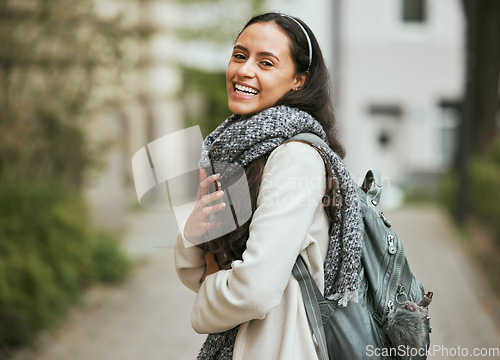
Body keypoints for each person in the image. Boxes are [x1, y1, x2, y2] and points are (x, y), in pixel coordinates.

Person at [175, 12, 364, 360]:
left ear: (298, 80)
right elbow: (207, 274)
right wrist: (193, 234)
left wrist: (210, 292)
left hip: (281, 346)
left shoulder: (295, 157)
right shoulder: (235, 150)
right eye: (240, 55)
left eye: (266, 62)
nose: (245, 70)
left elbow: (254, 291)